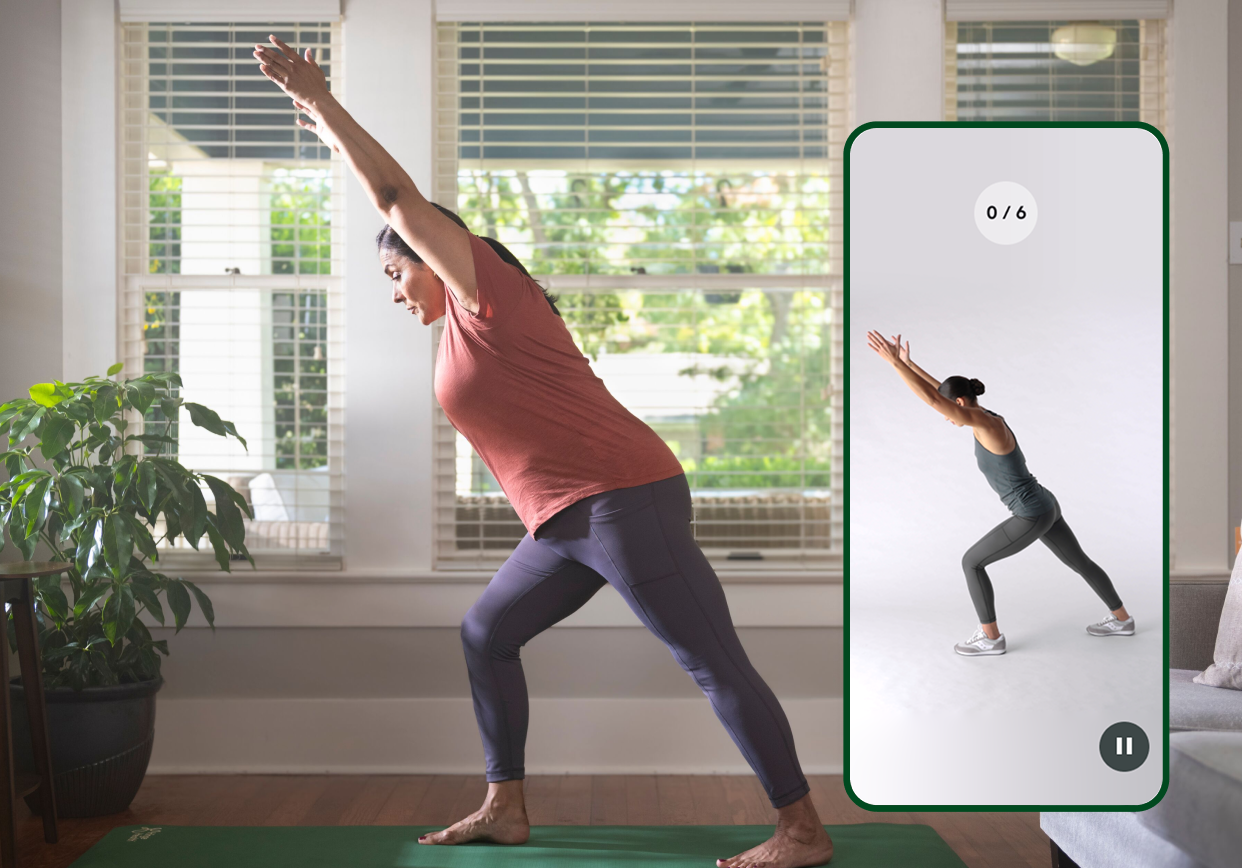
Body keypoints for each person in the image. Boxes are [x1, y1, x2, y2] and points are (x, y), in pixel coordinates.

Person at [253, 35, 834, 868]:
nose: (393, 291)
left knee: (712, 662)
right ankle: (506, 806)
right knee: (487, 633)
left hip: (625, 496)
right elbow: (385, 206)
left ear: (436, 258)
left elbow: (393, 196)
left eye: (397, 274)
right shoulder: (460, 330)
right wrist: (316, 116)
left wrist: (325, 100)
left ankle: (802, 830)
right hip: (566, 519)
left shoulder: (488, 291)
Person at [865, 330, 1133, 657]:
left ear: (961, 404)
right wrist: (910, 364)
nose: (949, 418)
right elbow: (942, 393)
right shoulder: (986, 415)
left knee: (971, 563)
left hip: (1031, 513)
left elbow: (937, 401)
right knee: (1081, 562)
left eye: (953, 411)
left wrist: (894, 364)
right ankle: (1123, 620)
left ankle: (990, 638)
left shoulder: (984, 424)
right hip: (1045, 504)